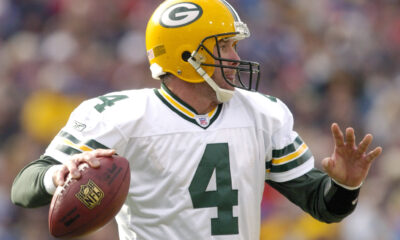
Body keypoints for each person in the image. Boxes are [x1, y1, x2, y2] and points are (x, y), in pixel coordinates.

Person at [11, 0, 382, 239]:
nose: (235, 57)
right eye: (223, 45)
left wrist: (345, 187)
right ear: (184, 56)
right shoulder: (119, 116)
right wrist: (55, 176)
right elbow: (24, 188)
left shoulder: (262, 114)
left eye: (234, 45)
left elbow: (324, 207)